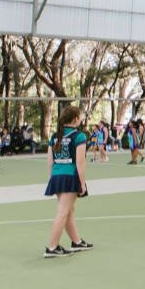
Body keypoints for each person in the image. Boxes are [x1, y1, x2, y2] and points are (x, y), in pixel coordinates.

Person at [43, 106, 93, 257]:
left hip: (57, 176)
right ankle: (52, 247)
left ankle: (76, 242)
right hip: (70, 176)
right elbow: (80, 163)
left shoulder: (55, 136)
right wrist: (82, 183)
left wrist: (52, 178)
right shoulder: (79, 137)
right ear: (76, 118)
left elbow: (50, 162)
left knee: (68, 211)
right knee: (63, 212)